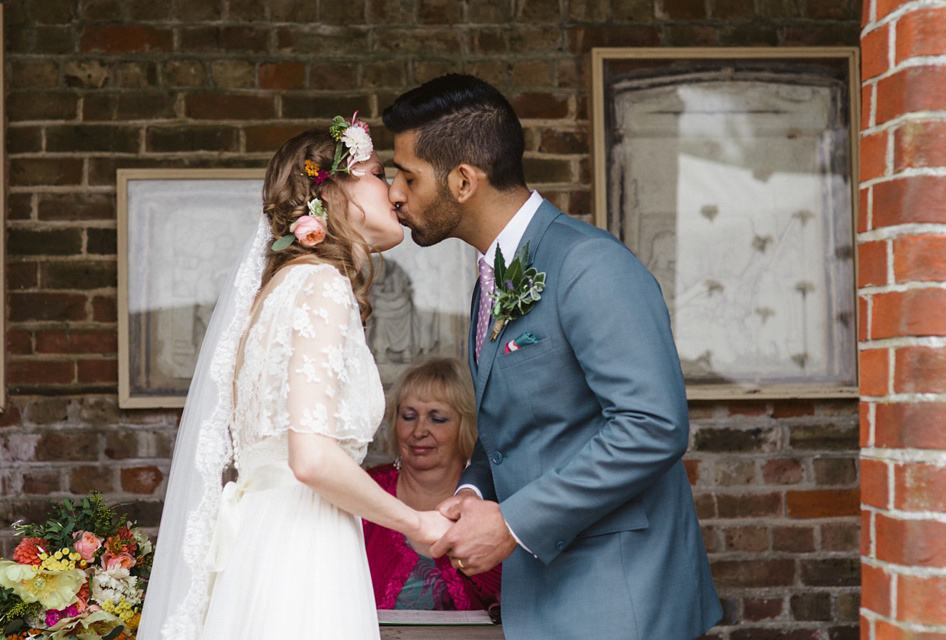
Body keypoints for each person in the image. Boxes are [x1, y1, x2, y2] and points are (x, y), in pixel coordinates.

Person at [383, 75, 723, 640]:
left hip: (618, 596)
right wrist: (469, 494)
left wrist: (513, 524)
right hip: (543, 596)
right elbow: (514, 432)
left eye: (408, 176)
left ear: (464, 180)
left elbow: (653, 426)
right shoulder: (490, 278)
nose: (396, 193)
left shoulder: (590, 265)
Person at [137, 115, 452, 640]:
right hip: (304, 549)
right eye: (377, 173)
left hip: (262, 543)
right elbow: (312, 459)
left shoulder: (275, 293)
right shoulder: (322, 287)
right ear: (333, 191)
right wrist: (417, 523)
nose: (394, 192)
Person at [363, 357, 501, 613]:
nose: (419, 431)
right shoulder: (366, 492)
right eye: (409, 416)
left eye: (437, 418)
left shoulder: (490, 502)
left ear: (466, 425)